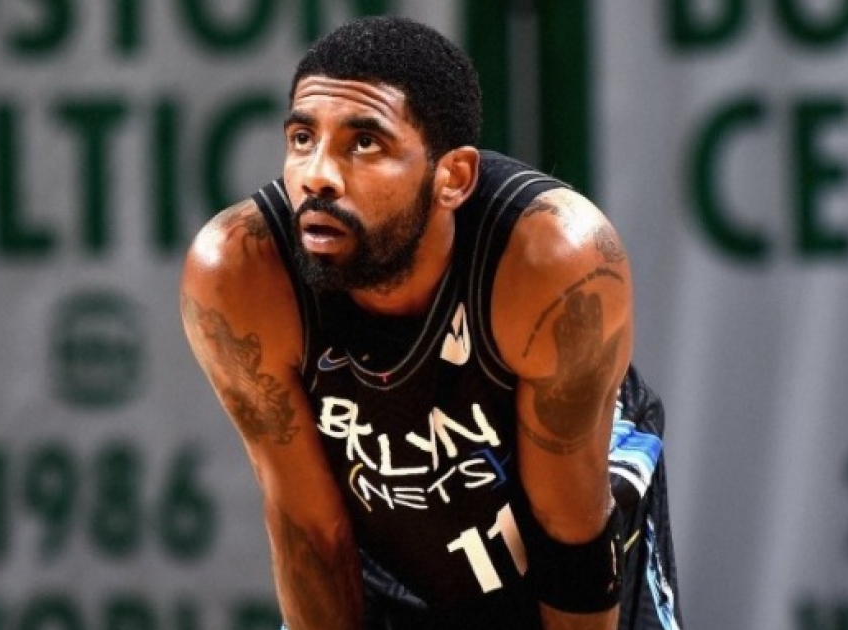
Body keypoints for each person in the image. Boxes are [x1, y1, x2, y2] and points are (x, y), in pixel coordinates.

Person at [180, 15, 681, 630]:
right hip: (387, 555)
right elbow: (309, 528)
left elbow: (568, 528)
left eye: (364, 143)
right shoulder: (239, 270)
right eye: (302, 138)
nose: (317, 175)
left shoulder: (551, 258)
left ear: (454, 178)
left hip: (567, 536)